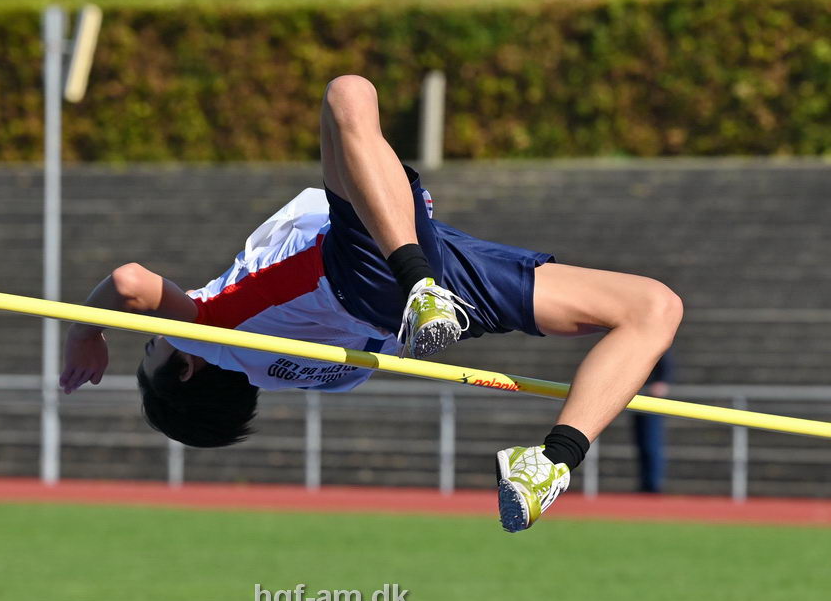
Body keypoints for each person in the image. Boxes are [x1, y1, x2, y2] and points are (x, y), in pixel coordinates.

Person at [59, 75, 683, 533]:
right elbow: (130, 283)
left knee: (654, 307)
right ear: (187, 366)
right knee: (348, 95)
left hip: (425, 284)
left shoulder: (302, 377)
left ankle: (553, 460)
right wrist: (86, 335)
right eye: (150, 346)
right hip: (373, 271)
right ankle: (419, 282)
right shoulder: (211, 332)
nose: (152, 332)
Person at [631, 349, 675, 493]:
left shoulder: (656, 343)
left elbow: (666, 363)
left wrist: (662, 382)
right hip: (635, 398)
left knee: (651, 444)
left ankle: (653, 485)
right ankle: (646, 484)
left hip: (651, 400)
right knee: (642, 444)